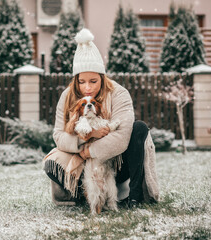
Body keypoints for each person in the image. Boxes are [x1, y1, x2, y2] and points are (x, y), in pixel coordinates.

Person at [43, 28, 159, 209]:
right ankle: (83, 195)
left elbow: (122, 138)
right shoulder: (67, 96)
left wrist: (90, 151)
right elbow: (58, 136)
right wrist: (85, 138)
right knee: (51, 163)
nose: (87, 88)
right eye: (81, 82)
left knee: (139, 128)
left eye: (93, 81)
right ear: (76, 80)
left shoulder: (119, 93)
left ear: (102, 78)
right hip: (82, 164)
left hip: (116, 163)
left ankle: (133, 196)